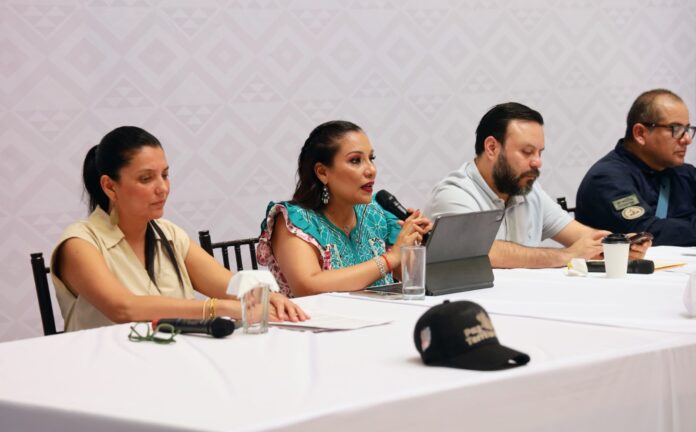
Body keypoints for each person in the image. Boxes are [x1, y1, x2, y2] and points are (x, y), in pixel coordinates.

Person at [52, 126, 307, 332]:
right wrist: (216, 308)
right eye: (146, 179)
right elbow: (123, 308)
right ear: (109, 186)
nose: (162, 188)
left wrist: (264, 296)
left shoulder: (169, 233)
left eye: (165, 175)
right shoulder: (79, 242)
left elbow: (229, 287)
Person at [423, 102, 649, 269]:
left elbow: (580, 236)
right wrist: (565, 256)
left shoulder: (528, 190)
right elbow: (482, 252)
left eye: (539, 153)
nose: (537, 162)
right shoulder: (454, 194)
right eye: (527, 152)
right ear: (492, 147)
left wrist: (619, 245)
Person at [257, 120, 432, 297]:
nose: (371, 170)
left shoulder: (376, 213)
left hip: (381, 312)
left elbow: (411, 278)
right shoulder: (295, 221)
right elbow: (307, 286)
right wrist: (389, 259)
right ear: (322, 172)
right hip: (319, 315)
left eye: (371, 159)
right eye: (355, 160)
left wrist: (420, 244)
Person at [576, 89, 696, 246]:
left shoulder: (685, 173)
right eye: (676, 129)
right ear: (640, 133)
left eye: (687, 129)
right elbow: (644, 232)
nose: (687, 139)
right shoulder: (606, 178)